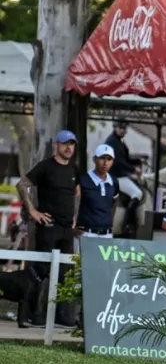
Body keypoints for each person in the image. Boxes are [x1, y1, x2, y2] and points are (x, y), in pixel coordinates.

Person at [16, 129, 81, 327]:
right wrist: (33, 212)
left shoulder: (73, 169)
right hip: (48, 227)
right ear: (57, 146)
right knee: (40, 270)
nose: (69, 147)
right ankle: (31, 315)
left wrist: (75, 218)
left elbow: (78, 192)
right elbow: (22, 184)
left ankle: (62, 317)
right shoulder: (45, 167)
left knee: (65, 273)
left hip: (66, 229)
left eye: (71, 144)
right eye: (65, 144)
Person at [75, 144, 119, 242]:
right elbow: (72, 203)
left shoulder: (114, 182)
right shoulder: (83, 180)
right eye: (102, 158)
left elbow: (115, 202)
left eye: (109, 159)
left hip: (107, 235)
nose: (105, 163)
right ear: (95, 159)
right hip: (86, 234)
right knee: (77, 258)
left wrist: (108, 222)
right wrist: (72, 226)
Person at [104, 120, 143, 227]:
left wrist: (138, 161)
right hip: (114, 176)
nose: (122, 131)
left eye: (124, 129)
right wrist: (133, 169)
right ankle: (127, 224)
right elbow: (118, 162)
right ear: (115, 128)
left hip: (120, 174)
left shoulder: (120, 142)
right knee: (137, 193)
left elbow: (125, 159)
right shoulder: (112, 141)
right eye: (120, 128)